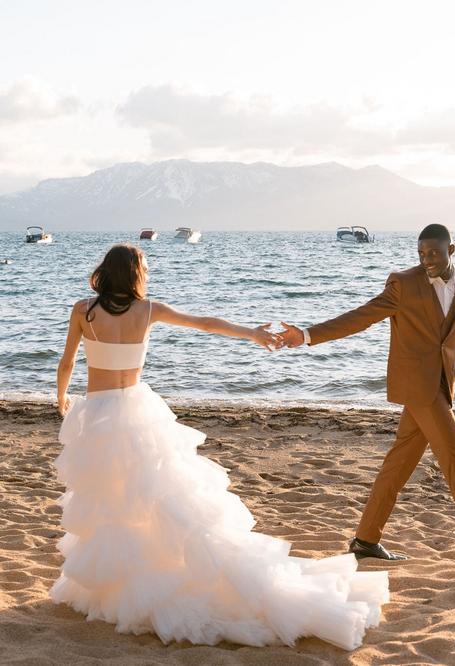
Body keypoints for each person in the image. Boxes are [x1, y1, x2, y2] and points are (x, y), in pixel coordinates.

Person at [52, 244, 389, 649]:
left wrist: (62, 398)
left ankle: (118, 584)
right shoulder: (148, 310)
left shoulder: (82, 311)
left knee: (113, 501)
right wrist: (251, 333)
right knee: (155, 496)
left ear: (105, 272)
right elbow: (206, 323)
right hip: (139, 411)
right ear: (136, 275)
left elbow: (68, 362)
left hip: (101, 413)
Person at [279, 224, 455, 576]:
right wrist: (305, 335)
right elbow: (360, 318)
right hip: (419, 390)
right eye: (421, 253)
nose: (426, 260)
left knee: (397, 466)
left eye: (434, 253)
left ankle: (365, 540)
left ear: (451, 250)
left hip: (441, 389)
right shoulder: (403, 284)